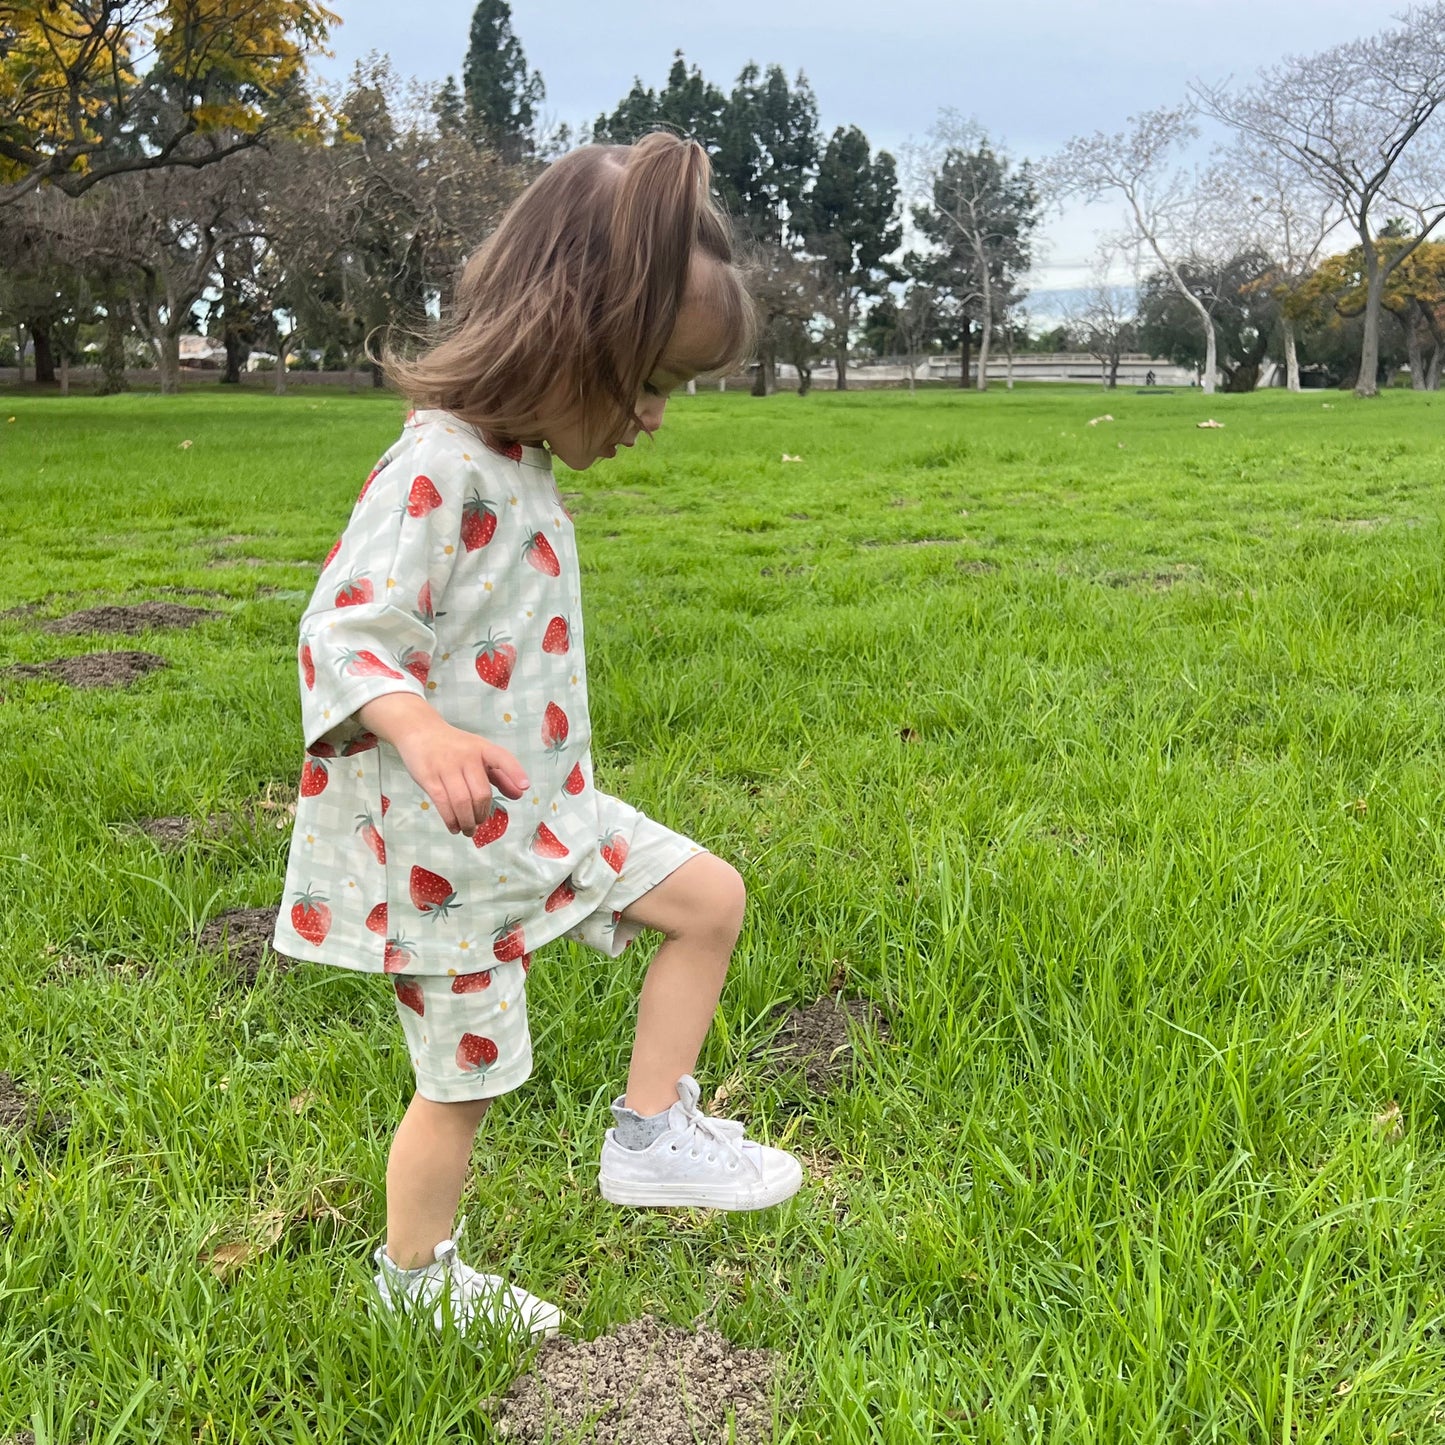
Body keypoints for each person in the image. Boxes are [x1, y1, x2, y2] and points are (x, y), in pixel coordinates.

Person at [272, 133, 803, 1341]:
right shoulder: (436, 469)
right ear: (569, 336)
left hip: (551, 817)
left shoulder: (516, 464)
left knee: (708, 899)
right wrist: (417, 725)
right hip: (445, 856)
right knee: (462, 1085)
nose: (659, 418)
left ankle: (650, 1134)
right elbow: (342, 634)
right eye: (651, 381)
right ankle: (416, 1282)